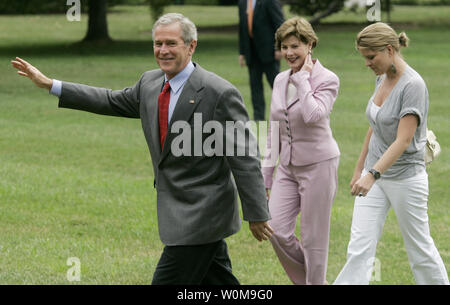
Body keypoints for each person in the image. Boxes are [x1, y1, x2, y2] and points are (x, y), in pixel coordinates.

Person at [11, 13, 274, 285]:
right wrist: (52, 85)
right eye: (158, 43)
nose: (163, 51)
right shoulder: (150, 83)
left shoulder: (219, 93)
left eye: (171, 43)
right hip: (178, 210)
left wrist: (256, 213)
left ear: (191, 46)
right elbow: (110, 100)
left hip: (201, 214)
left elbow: (244, 157)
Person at [334, 22, 449, 285]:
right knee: (359, 248)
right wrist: (359, 170)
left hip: (405, 179)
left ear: (388, 49)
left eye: (370, 57)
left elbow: (403, 139)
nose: (367, 63)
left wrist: (372, 174)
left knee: (419, 249)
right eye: (364, 57)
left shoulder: (413, 85)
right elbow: (374, 126)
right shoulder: (382, 78)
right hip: (373, 176)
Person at [262, 17, 340, 285]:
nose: (289, 53)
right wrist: (265, 177)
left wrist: (304, 80)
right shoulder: (280, 79)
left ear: (310, 44)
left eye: (295, 46)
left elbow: (313, 115)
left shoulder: (328, 79)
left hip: (319, 165)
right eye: (284, 47)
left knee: (313, 239)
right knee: (276, 229)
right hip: (287, 167)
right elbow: (273, 130)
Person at [238, 0, 284, 121]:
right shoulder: (242, 2)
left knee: (277, 85)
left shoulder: (269, 2)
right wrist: (242, 52)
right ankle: (258, 118)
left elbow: (280, 24)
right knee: (255, 87)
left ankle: (285, 113)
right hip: (252, 54)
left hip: (269, 52)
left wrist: (279, 47)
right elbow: (242, 27)